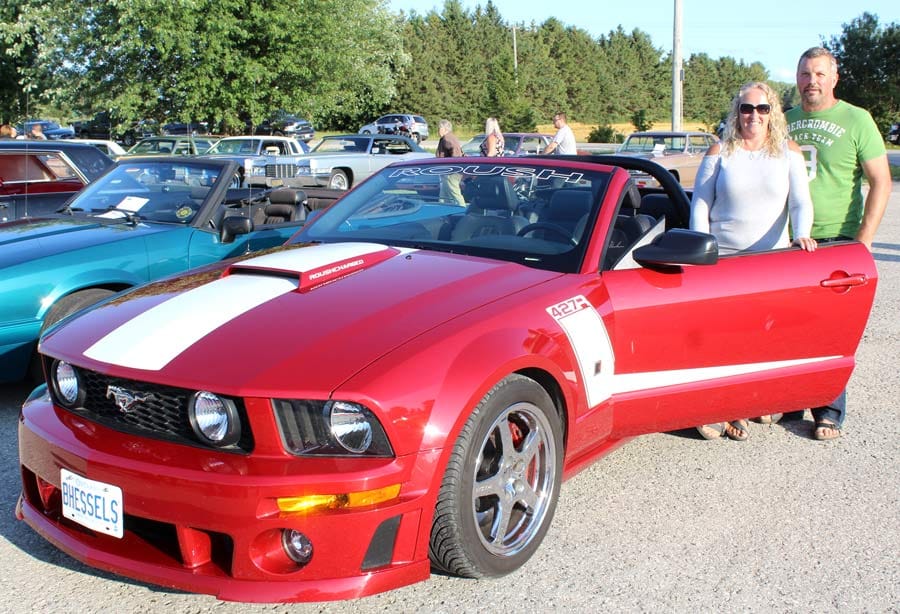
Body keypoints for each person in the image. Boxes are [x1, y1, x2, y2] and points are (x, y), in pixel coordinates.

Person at [690, 81, 817, 441]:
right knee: (722, 338)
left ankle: (752, 403)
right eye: (747, 109)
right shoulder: (721, 151)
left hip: (769, 262)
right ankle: (721, 409)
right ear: (737, 112)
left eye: (762, 109)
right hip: (723, 259)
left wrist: (801, 233)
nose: (754, 116)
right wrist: (701, 249)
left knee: (760, 337)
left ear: (772, 112)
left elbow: (800, 201)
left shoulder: (787, 152)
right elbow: (700, 203)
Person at [785, 46, 892, 441]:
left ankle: (828, 409)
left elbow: (880, 181)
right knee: (790, 324)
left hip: (837, 238)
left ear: (834, 78)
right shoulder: (785, 121)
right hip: (791, 239)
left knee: (832, 330)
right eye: (803, 74)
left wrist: (863, 239)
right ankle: (791, 399)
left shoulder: (856, 119)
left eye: (818, 74)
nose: (810, 81)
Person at [434, 119, 465, 205]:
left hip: (450, 172)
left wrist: (453, 166)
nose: (438, 130)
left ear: (444, 129)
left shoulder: (447, 138)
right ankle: (442, 212)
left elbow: (456, 152)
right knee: (444, 195)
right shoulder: (448, 137)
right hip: (447, 171)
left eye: (439, 128)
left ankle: (462, 209)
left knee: (454, 193)